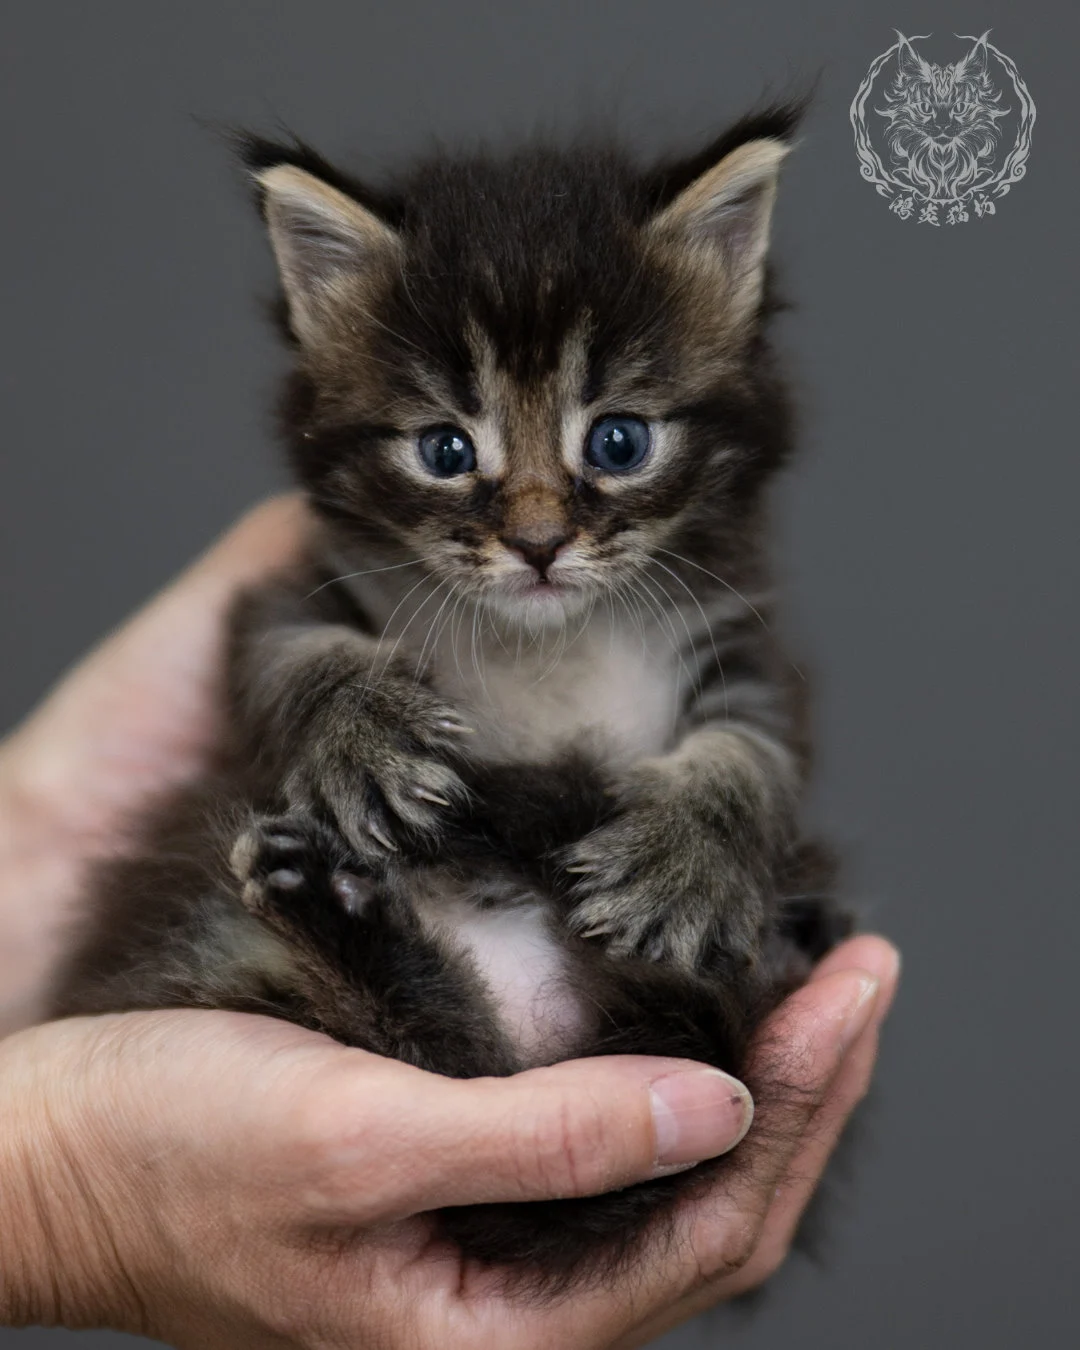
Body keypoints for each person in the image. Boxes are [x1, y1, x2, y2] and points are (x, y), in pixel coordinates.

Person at [0, 498, 899, 1349]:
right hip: (436, 944)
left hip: (534, 954)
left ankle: (410, 983)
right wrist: (56, 1189)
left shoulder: (703, 624)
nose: (538, 521)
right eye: (449, 446)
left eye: (618, 443)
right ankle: (403, 988)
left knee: (682, 1075)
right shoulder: (346, 583)